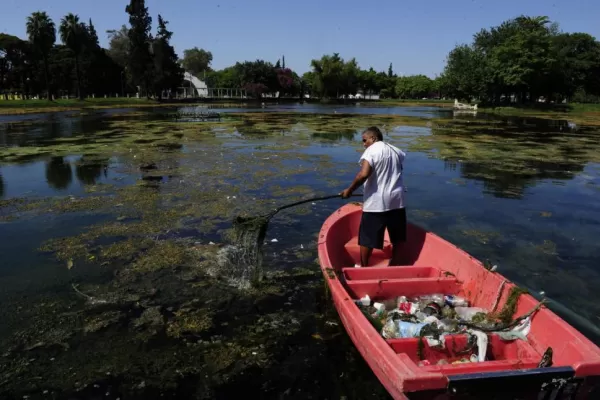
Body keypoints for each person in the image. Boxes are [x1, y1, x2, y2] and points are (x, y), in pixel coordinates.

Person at [340, 126, 406, 267]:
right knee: (397, 236)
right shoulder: (397, 150)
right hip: (397, 200)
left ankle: (363, 266)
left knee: (367, 238)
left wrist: (350, 190)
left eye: (364, 140)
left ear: (373, 138)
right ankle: (396, 263)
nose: (364, 144)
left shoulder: (371, 150)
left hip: (377, 201)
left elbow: (364, 174)